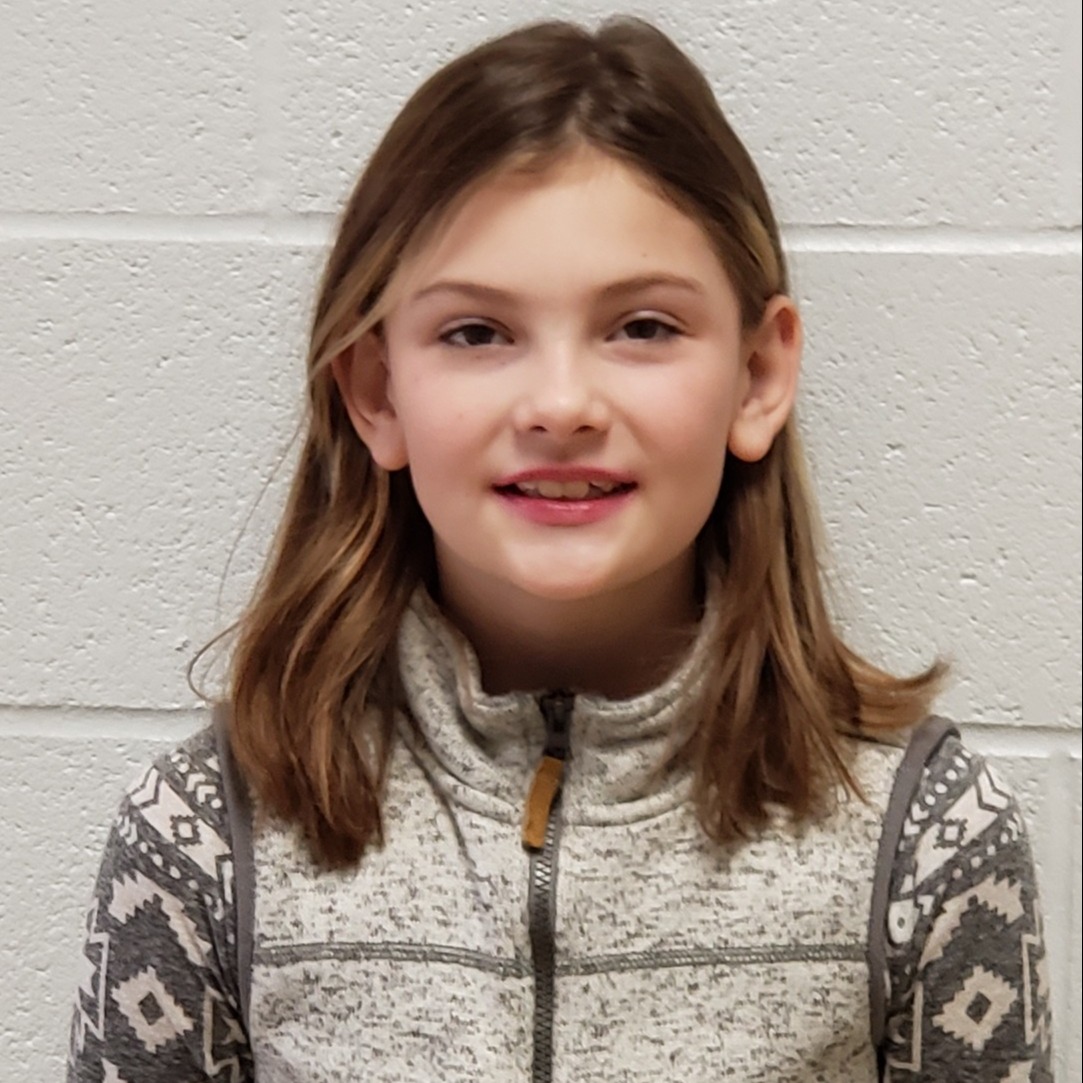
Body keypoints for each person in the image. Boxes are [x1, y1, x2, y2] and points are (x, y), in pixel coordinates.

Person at [66, 17, 1052, 1083]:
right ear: (374, 392)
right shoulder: (205, 837)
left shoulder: (928, 837)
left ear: (760, 378)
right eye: (477, 334)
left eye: (641, 327)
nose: (562, 405)